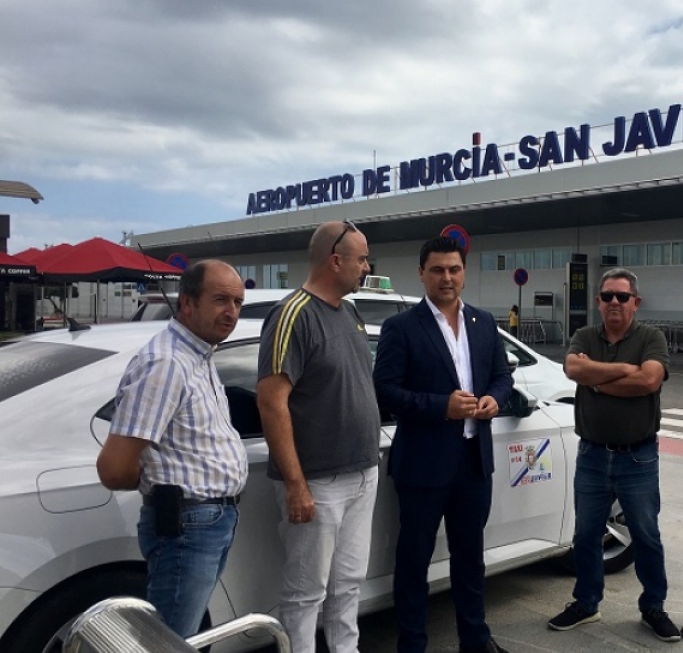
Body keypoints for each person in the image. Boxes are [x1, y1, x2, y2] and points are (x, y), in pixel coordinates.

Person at [373, 236, 514, 653]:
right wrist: (442, 407)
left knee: (470, 558)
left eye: (454, 269)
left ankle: (475, 639)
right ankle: (412, 643)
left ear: (464, 273)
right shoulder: (401, 327)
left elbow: (502, 376)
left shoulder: (483, 322)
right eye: (437, 270)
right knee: (414, 561)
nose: (446, 277)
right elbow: (385, 390)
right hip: (423, 464)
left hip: (473, 462)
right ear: (421, 274)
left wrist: (495, 399)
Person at [96, 260, 248, 637]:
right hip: (188, 525)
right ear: (187, 303)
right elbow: (114, 468)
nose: (231, 312)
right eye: (220, 300)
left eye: (238, 302)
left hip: (206, 521)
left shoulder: (198, 354)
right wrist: (162, 483)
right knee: (170, 641)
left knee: (178, 636)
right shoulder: (166, 363)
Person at [256, 220, 382, 653]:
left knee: (349, 582)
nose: (367, 267)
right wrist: (295, 484)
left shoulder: (349, 311)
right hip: (317, 482)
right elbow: (271, 402)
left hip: (362, 473)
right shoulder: (292, 315)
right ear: (335, 261)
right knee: (306, 591)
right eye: (362, 259)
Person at [547, 268, 680, 642]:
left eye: (622, 296)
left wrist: (596, 381)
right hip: (591, 455)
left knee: (646, 535)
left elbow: (649, 380)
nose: (615, 302)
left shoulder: (651, 337)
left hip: (638, 457)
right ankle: (586, 603)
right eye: (607, 296)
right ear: (598, 302)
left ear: (636, 302)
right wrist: (622, 370)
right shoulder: (584, 336)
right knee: (586, 534)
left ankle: (653, 607)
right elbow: (573, 367)